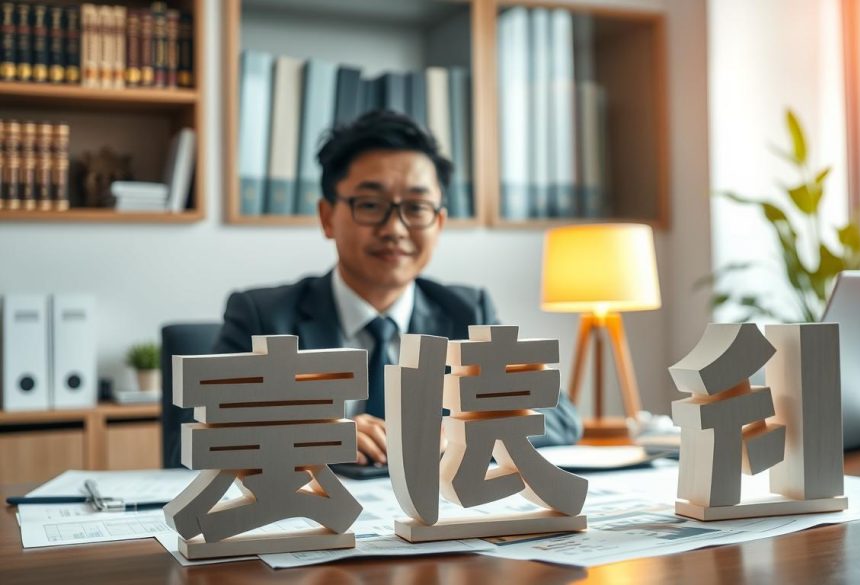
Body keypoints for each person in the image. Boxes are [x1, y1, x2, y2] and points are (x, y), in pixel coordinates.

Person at [203, 110, 581, 466]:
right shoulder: (263, 316)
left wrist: (459, 430)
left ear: (439, 223)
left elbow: (560, 415)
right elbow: (201, 432)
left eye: (416, 208)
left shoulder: (467, 312)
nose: (395, 229)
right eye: (370, 204)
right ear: (327, 217)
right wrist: (317, 435)